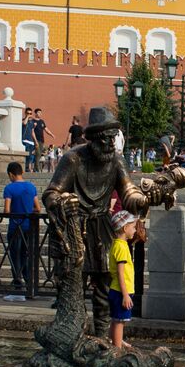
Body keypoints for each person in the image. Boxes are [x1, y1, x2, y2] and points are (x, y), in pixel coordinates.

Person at [42, 107, 157, 337]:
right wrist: (64, 201)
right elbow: (50, 194)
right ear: (93, 138)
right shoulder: (72, 159)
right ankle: (71, 336)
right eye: (105, 139)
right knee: (73, 289)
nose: (110, 144)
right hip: (75, 230)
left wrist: (142, 199)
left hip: (103, 229)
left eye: (113, 138)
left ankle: (102, 339)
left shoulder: (116, 160)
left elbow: (128, 191)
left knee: (105, 288)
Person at [2, 162, 41, 289]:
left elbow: (7, 210)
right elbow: (38, 208)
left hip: (15, 225)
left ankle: (17, 279)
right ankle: (28, 279)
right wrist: (27, 211)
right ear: (22, 172)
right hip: (28, 225)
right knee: (26, 253)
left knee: (15, 253)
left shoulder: (9, 188)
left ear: (10, 174)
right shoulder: (31, 186)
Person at [106, 211, 137, 349]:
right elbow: (120, 273)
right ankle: (117, 348)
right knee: (120, 321)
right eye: (133, 227)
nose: (135, 230)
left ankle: (115, 340)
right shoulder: (122, 247)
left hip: (117, 289)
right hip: (120, 291)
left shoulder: (117, 244)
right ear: (125, 228)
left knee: (116, 319)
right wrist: (125, 295)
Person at [21, 106, 37, 170]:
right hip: (25, 140)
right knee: (26, 155)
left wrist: (35, 141)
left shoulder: (32, 122)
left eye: (30, 113)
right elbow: (24, 123)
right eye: (28, 113)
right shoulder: (23, 120)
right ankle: (25, 168)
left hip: (31, 141)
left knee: (31, 156)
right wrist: (27, 117)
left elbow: (33, 132)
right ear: (25, 113)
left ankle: (29, 169)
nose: (29, 115)